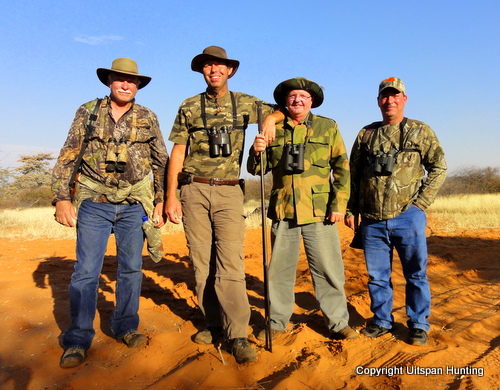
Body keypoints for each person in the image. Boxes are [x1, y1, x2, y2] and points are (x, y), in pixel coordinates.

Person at [165, 46, 283, 364]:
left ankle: (238, 334)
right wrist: (170, 196)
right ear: (202, 71)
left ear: (229, 70)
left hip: (230, 191)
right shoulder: (189, 106)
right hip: (193, 191)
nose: (213, 69)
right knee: (202, 263)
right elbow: (177, 153)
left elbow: (280, 110)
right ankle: (213, 324)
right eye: (208, 65)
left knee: (230, 264)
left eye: (219, 65)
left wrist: (269, 121)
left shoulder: (245, 102)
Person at [52, 58, 169, 368]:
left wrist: (161, 200)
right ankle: (78, 337)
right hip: (94, 204)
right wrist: (62, 198)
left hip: (133, 206)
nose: (125, 85)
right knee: (87, 271)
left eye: (132, 81)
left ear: (138, 86)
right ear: (109, 81)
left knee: (131, 269)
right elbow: (68, 155)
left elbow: (161, 162)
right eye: (120, 79)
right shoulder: (88, 111)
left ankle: (126, 326)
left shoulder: (148, 117)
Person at [247, 77, 358, 342]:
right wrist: (257, 150)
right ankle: (276, 322)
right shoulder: (274, 127)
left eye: (303, 97)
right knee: (279, 273)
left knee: (328, 270)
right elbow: (257, 171)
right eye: (292, 96)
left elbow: (342, 168)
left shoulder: (327, 127)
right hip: (284, 210)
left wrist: (339, 205)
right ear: (285, 102)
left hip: (320, 212)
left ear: (311, 102)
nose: (298, 100)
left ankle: (338, 323)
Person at [345, 77, 447, 346]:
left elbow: (438, 168)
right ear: (378, 100)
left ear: (404, 99)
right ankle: (381, 321)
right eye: (384, 96)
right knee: (377, 276)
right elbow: (352, 175)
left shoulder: (419, 130)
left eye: (395, 96)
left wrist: (420, 203)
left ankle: (418, 324)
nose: (389, 101)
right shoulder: (366, 134)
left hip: (408, 216)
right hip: (372, 219)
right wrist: (351, 210)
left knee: (416, 274)